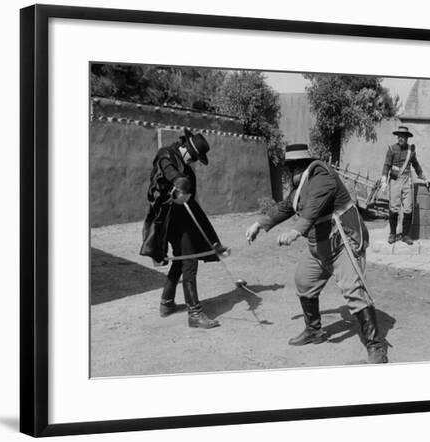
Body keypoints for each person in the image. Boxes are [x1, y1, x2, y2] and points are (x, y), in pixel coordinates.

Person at [245, 144, 388, 364]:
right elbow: (286, 207)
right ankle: (314, 330)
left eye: (290, 168)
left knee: (353, 291)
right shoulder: (301, 185)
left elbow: (312, 207)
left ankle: (375, 344)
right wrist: (260, 223)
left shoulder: (322, 175)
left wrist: (295, 231)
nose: (288, 173)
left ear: (299, 166)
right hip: (319, 243)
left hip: (343, 240)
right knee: (304, 281)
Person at [140, 128, 226, 329]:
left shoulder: (187, 169)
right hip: (166, 220)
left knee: (179, 261)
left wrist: (213, 240)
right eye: (194, 157)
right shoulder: (166, 154)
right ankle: (195, 314)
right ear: (186, 148)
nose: (194, 161)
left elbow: (191, 203)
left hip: (182, 219)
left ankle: (166, 304)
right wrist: (177, 181)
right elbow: (169, 171)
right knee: (189, 261)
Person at [380, 126, 430, 245]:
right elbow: (386, 165)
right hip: (395, 180)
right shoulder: (391, 149)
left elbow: (416, 166)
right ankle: (392, 233)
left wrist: (424, 178)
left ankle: (406, 235)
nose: (400, 138)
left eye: (403, 136)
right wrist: (383, 181)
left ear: (407, 138)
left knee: (408, 208)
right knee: (393, 207)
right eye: (399, 136)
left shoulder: (411, 151)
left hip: (407, 181)